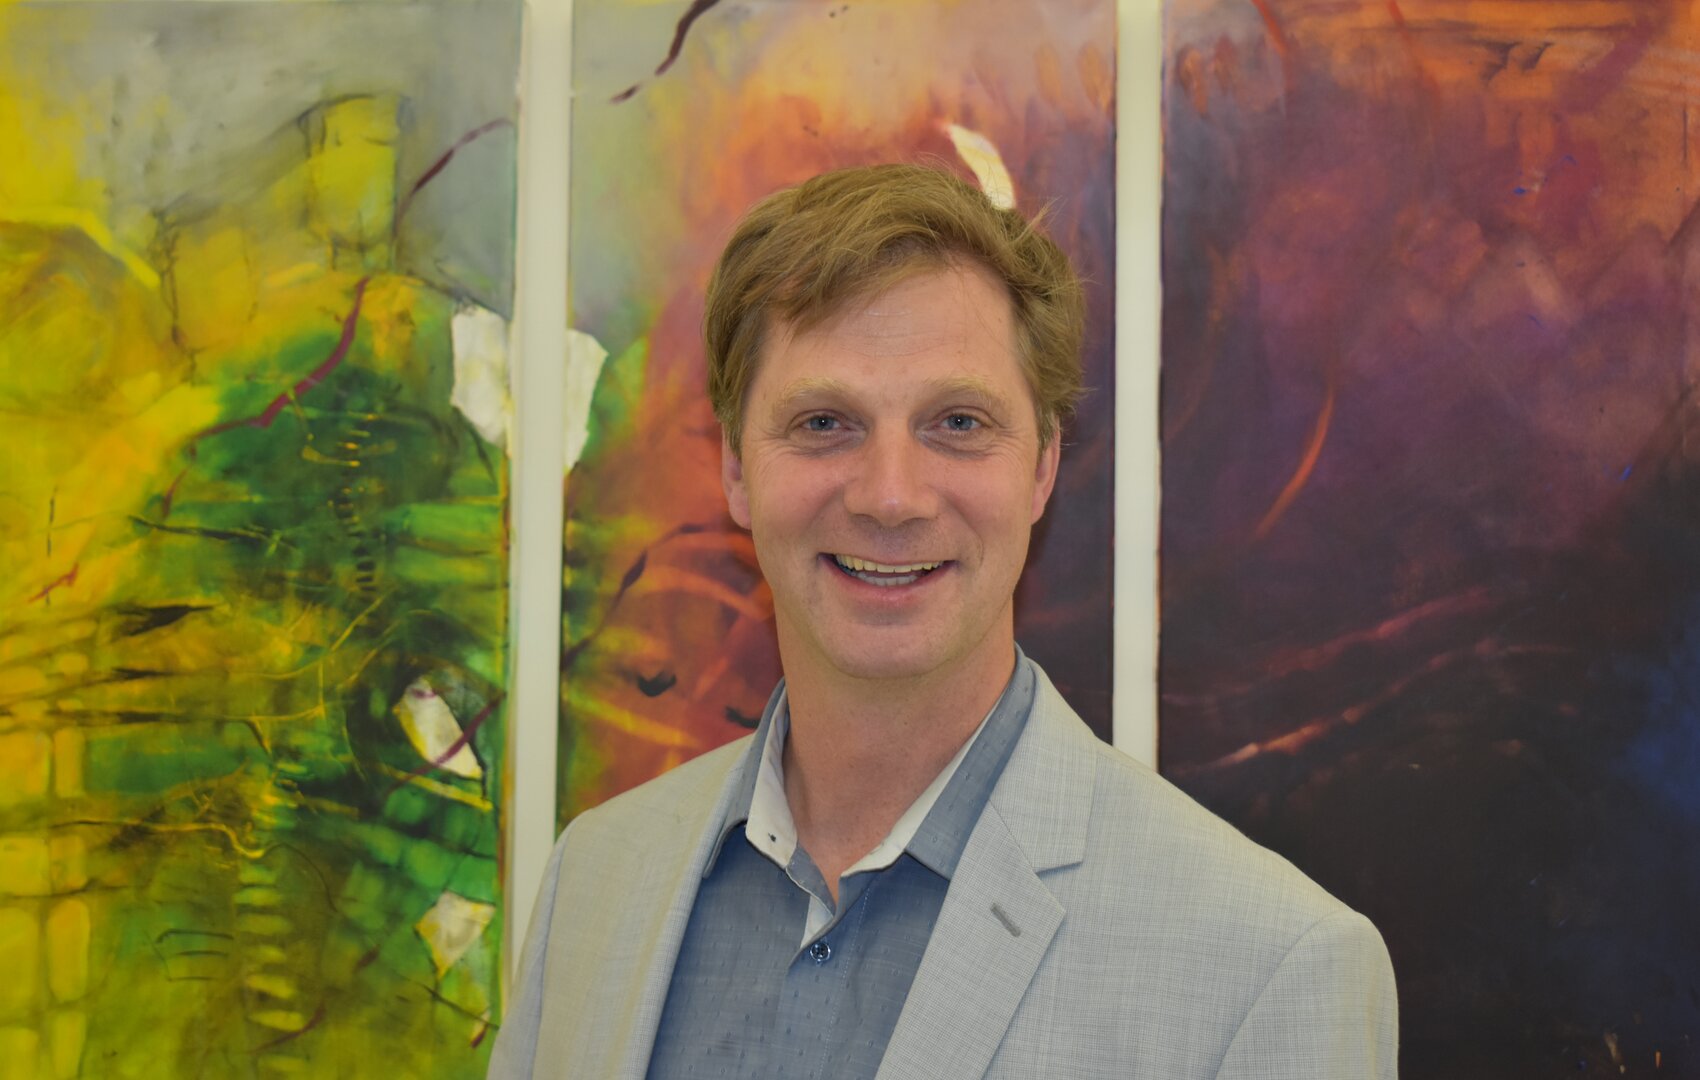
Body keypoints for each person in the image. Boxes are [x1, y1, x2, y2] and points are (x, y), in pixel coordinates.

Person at [489, 164, 1398, 1079]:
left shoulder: (1268, 971)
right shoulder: (592, 885)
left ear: (1041, 467)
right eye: (824, 422)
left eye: (958, 422)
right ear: (735, 469)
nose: (891, 496)